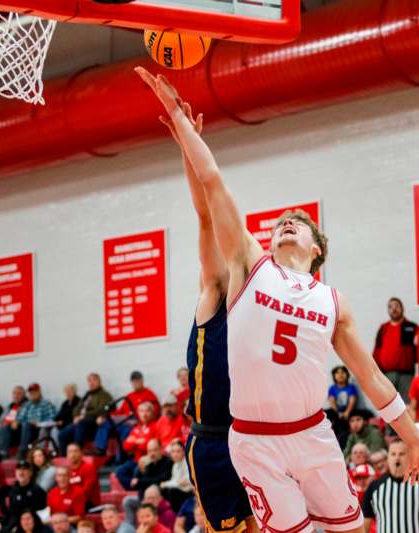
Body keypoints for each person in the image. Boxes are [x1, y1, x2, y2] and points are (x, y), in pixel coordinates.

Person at [140, 68, 419, 533]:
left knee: (353, 530)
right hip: (251, 440)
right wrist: (179, 121)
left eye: (297, 223)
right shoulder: (248, 267)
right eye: (280, 221)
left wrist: (413, 438)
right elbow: (212, 187)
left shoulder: (332, 300)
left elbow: (374, 378)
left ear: (317, 249)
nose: (285, 224)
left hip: (312, 433)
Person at [157, 106, 256, 533]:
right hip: (212, 440)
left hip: (252, 435)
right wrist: (188, 145)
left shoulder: (259, 305)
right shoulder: (214, 291)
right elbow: (204, 215)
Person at [363, 440, 419, 533]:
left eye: (402, 454)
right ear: (388, 458)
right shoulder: (375, 487)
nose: (397, 458)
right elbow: (365, 524)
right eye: (393, 454)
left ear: (411, 457)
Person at [95, 371, 160, 456]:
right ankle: (100, 448)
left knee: (126, 429)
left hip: (136, 421)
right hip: (124, 419)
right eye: (134, 381)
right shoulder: (130, 395)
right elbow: (120, 411)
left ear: (142, 381)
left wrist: (138, 419)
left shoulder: (149, 394)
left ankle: (120, 456)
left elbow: (154, 411)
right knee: (106, 423)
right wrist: (106, 417)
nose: (136, 383)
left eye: (138, 380)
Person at [372, 297, 418, 401]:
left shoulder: (411, 327)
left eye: (397, 306)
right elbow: (377, 350)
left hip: (406, 376)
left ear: (402, 308)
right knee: (388, 405)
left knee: (407, 405)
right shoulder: (383, 328)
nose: (394, 309)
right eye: (390, 307)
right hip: (386, 376)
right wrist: (376, 374)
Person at [58, 373, 112, 452]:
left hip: (93, 422)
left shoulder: (104, 395)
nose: (91, 383)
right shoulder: (88, 395)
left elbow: (102, 410)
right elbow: (77, 408)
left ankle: (77, 452)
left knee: (80, 424)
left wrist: (84, 415)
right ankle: (64, 457)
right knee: (62, 434)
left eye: (94, 380)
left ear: (99, 381)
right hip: (82, 421)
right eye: (89, 381)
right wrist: (76, 416)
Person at [0, 461, 46, 533]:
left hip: (28, 525)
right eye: (19, 470)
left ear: (30, 473)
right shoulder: (14, 490)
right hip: (12, 523)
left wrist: (20, 526)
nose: (21, 472)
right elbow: (11, 512)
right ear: (15, 473)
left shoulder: (37, 490)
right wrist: (0, 523)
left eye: (24, 469)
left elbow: (40, 514)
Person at [116, 403, 159, 490]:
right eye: (141, 411)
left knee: (138, 470)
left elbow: (147, 446)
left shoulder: (156, 426)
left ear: (152, 413)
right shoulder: (136, 428)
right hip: (136, 459)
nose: (144, 414)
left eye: (147, 411)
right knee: (120, 471)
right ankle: (134, 489)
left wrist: (134, 441)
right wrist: (138, 441)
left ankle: (141, 489)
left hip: (150, 459)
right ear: (138, 413)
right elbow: (125, 446)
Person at [13, 383, 56, 459]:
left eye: (34, 392)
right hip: (28, 428)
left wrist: (38, 423)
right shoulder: (27, 405)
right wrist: (16, 421)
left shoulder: (46, 403)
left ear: (39, 392)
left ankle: (23, 451)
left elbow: (53, 419)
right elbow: (20, 417)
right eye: (30, 393)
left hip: (40, 428)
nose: (32, 394)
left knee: (26, 425)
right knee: (23, 425)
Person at [327, 366, 358, 446]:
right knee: (327, 413)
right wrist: (338, 413)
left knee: (360, 413)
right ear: (334, 376)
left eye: (343, 372)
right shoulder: (332, 388)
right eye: (337, 372)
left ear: (347, 375)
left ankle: (345, 439)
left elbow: (352, 401)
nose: (340, 374)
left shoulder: (351, 387)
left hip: (348, 410)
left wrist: (347, 412)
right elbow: (332, 402)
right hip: (336, 411)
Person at [0, 386, 27, 458]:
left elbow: (28, 416)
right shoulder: (11, 406)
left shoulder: (27, 404)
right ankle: (2, 453)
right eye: (14, 393)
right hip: (10, 429)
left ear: (24, 395)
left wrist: (18, 421)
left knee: (3, 427)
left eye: (19, 394)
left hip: (22, 428)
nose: (16, 396)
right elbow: (2, 419)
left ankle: (20, 452)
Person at [159, 441, 191, 513]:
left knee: (171, 491)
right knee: (163, 489)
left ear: (184, 452)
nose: (175, 454)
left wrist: (166, 483)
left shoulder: (187, 463)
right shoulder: (175, 465)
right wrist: (167, 484)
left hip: (188, 493)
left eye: (178, 451)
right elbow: (176, 481)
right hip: (179, 491)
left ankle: (176, 513)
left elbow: (183, 482)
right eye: (173, 452)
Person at [65, 444, 99, 509]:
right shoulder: (67, 470)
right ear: (66, 455)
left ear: (81, 453)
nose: (73, 454)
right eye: (70, 452)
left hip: (89, 502)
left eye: (75, 451)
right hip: (72, 500)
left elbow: (87, 490)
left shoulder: (88, 468)